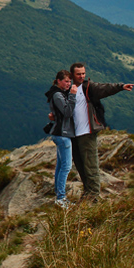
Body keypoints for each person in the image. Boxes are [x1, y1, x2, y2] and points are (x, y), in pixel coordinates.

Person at [69, 62, 134, 201]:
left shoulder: (88, 87)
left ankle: (94, 196)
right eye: (78, 74)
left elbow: (105, 88)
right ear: (72, 75)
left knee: (90, 164)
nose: (81, 76)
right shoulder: (68, 89)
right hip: (73, 134)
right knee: (80, 165)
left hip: (87, 132)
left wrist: (121, 86)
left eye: (83, 73)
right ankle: (88, 192)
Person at [44, 70, 77, 208]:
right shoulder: (58, 95)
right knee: (66, 166)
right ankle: (61, 198)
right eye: (66, 81)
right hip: (62, 134)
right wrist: (73, 96)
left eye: (70, 81)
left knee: (60, 166)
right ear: (58, 81)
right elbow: (67, 112)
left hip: (60, 133)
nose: (68, 84)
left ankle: (59, 194)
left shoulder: (58, 93)